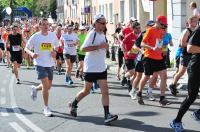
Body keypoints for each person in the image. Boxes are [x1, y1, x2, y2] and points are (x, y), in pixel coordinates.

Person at [68, 14, 118, 125]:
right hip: (90, 68)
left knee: (105, 91)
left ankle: (107, 115)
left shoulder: (103, 34)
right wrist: (99, 47)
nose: (105, 25)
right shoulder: (92, 34)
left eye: (105, 23)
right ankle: (74, 104)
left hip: (101, 68)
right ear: (96, 23)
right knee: (86, 91)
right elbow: (83, 48)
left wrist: (106, 47)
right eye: (103, 23)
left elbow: (103, 47)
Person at [25, 18, 59, 117]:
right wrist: (32, 54)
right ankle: (46, 108)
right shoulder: (35, 37)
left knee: (48, 86)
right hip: (39, 63)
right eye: (43, 24)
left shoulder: (52, 35)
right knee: (45, 85)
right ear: (39, 26)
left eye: (47, 24)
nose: (45, 26)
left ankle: (35, 89)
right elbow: (27, 48)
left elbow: (57, 46)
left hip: (50, 63)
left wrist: (55, 52)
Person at [170, 21, 200, 132]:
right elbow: (190, 48)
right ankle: (176, 121)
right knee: (192, 96)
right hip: (195, 69)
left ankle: (198, 113)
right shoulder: (198, 31)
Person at [136, 15, 170, 106]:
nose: (164, 26)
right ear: (157, 22)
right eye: (162, 24)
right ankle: (139, 93)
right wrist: (151, 47)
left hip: (159, 57)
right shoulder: (150, 30)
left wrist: (164, 50)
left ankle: (162, 98)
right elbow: (142, 43)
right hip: (149, 57)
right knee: (146, 76)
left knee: (164, 76)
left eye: (165, 25)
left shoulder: (162, 31)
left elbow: (161, 42)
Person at [169, 16, 198, 96]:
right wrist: (191, 45)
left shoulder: (195, 30)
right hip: (185, 55)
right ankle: (173, 85)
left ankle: (191, 89)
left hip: (192, 55)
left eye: (197, 21)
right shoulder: (187, 31)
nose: (196, 23)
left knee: (191, 72)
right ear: (190, 22)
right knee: (181, 72)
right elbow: (182, 43)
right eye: (194, 21)